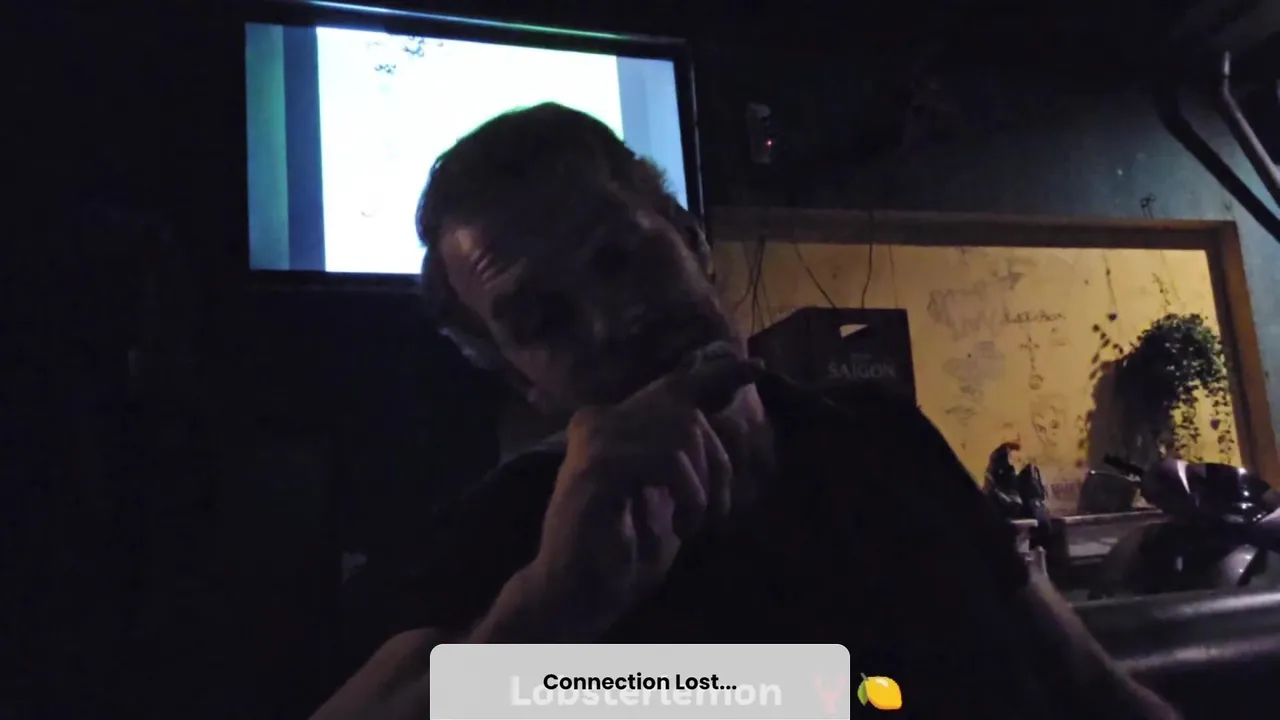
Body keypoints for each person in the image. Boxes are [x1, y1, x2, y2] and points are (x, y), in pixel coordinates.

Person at [312, 103, 1178, 719]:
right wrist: (545, 613)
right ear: (523, 379)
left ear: (691, 240)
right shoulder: (510, 533)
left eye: (620, 257)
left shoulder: (881, 437)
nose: (612, 319)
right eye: (543, 320)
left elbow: (1090, 689)